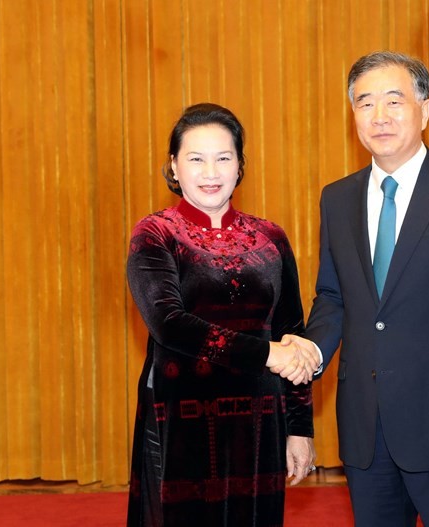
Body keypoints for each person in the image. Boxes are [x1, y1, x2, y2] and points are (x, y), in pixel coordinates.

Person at [282, 51, 429, 526]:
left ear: (424, 110)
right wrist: (309, 349)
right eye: (365, 104)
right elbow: (333, 297)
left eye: (395, 101)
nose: (380, 117)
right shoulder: (338, 197)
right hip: (366, 428)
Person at [126, 102, 320, 526]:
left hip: (261, 422)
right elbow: (168, 322)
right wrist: (268, 354)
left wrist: (299, 427)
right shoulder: (155, 233)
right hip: (181, 418)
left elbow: (292, 333)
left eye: (223, 158)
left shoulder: (270, 237)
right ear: (174, 166)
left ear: (240, 165)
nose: (210, 172)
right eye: (196, 159)